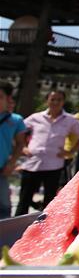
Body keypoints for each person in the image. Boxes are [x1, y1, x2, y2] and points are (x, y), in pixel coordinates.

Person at [17, 90, 79, 215]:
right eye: (52, 99)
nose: (55, 102)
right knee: (24, 199)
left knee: (49, 201)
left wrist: (70, 151)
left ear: (63, 102)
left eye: (59, 99)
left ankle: (45, 230)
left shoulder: (70, 120)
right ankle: (17, 229)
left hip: (54, 164)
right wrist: (23, 147)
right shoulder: (36, 117)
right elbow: (18, 130)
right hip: (33, 163)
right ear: (47, 100)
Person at [0, 82, 28, 219]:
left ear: (7, 99)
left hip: (2, 169)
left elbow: (20, 143)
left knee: (4, 207)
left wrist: (12, 163)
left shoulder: (16, 120)